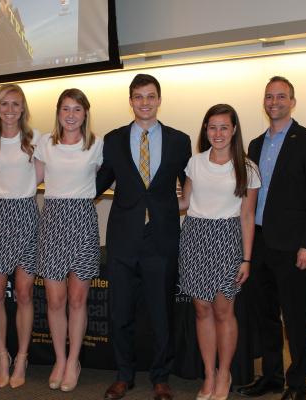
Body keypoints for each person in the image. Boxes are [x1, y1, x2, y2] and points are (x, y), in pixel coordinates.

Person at [97, 74, 192, 400]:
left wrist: (186, 201)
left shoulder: (180, 140)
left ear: (159, 99)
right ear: (131, 100)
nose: (145, 102)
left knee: (161, 314)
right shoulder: (113, 139)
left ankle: (161, 377)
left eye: (150, 96)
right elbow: (97, 183)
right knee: (120, 312)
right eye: (138, 97)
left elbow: (191, 177)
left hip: (162, 241)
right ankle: (124, 375)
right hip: (123, 240)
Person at [236, 76, 306, 400]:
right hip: (258, 243)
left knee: (295, 318)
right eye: (269, 96)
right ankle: (272, 377)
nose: (274, 101)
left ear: (292, 101)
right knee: (266, 316)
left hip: (292, 247)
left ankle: (298, 383)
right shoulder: (255, 146)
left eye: (281, 96)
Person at [177, 104, 259, 400]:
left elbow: (248, 216)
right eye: (212, 127)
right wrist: (147, 200)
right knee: (201, 310)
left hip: (228, 240)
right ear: (205, 130)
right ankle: (209, 375)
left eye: (224, 127)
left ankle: (225, 372)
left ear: (234, 130)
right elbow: (184, 202)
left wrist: (246, 258)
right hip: (195, 237)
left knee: (224, 311)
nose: (218, 133)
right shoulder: (195, 163)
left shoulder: (247, 168)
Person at [34, 88, 103, 393]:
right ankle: (59, 360)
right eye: (65, 109)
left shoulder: (97, 145)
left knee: (77, 300)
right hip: (52, 222)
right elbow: (28, 178)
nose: (71, 115)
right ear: (58, 113)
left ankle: (74, 360)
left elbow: (108, 176)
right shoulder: (45, 144)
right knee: (55, 300)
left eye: (77, 109)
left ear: (85, 113)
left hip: (84, 222)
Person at [0, 84, 40, 389]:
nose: (10, 110)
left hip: (26, 215)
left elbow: (43, 175)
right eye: (4, 104)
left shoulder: (35, 139)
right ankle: (3, 355)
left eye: (16, 104)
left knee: (25, 292)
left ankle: (22, 357)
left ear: (23, 108)